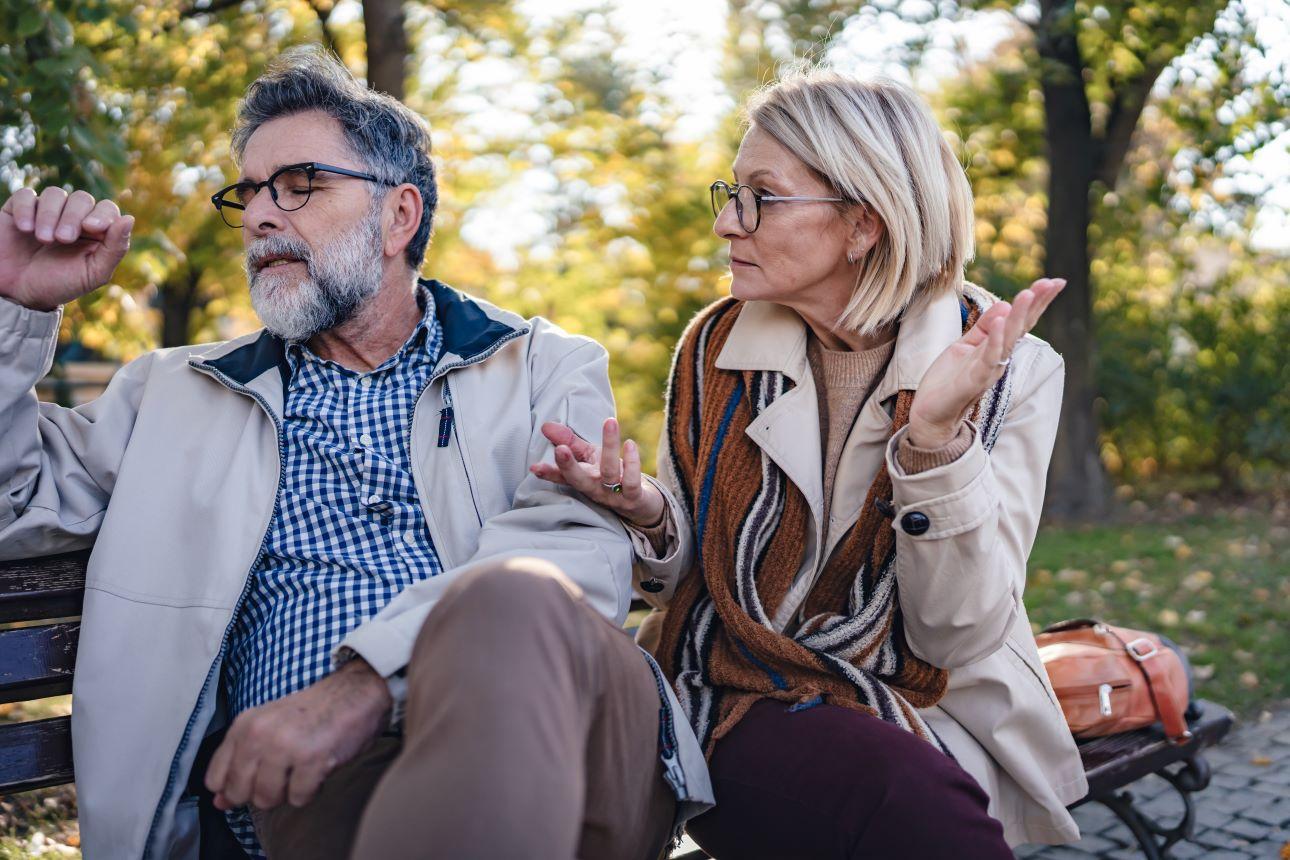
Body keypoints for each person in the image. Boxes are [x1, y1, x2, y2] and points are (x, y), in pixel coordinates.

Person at [0, 47, 712, 859]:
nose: (263, 214)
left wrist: (361, 686)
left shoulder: (544, 366)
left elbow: (574, 558)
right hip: (319, 794)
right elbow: (15, 505)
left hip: (574, 746)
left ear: (399, 216)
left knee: (514, 599)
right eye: (251, 192)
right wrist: (12, 311)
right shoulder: (170, 395)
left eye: (300, 184)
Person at [531, 67, 1089, 857]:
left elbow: (955, 633)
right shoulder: (715, 346)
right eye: (730, 193)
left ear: (863, 223)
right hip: (722, 682)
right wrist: (648, 514)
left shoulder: (1013, 370)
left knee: (901, 798)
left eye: (762, 196)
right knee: (886, 800)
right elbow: (686, 582)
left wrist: (933, 442)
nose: (729, 223)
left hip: (923, 702)